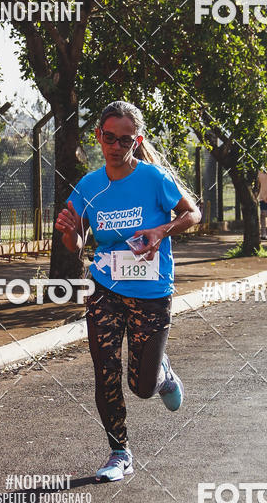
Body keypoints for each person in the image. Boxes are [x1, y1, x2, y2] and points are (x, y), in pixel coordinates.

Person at [55, 101, 201, 482]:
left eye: (124, 140)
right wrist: (71, 232)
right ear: (99, 137)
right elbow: (77, 243)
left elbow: (193, 214)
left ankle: (162, 375)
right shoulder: (88, 186)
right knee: (105, 370)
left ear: (135, 141)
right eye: (108, 137)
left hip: (151, 292)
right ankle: (119, 452)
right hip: (105, 288)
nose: (115, 146)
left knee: (142, 387)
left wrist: (161, 231)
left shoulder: (153, 179)